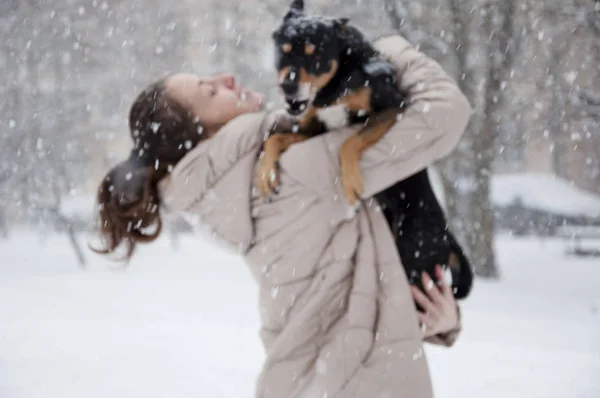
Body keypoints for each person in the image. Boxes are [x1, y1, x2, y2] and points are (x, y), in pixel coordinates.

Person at [94, 35, 471, 397]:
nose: (224, 78)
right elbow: (443, 113)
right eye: (210, 91)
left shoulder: (239, 189)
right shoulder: (291, 172)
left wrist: (438, 320)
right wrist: (381, 50)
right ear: (205, 135)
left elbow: (344, 292)